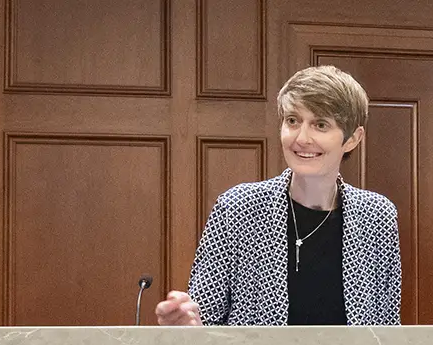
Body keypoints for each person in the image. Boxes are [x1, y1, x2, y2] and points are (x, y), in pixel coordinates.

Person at [156, 65, 402, 326]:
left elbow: (387, 332)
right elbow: (202, 322)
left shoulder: (377, 217)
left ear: (352, 139)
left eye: (320, 124)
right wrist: (185, 325)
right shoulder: (238, 208)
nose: (302, 138)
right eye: (293, 121)